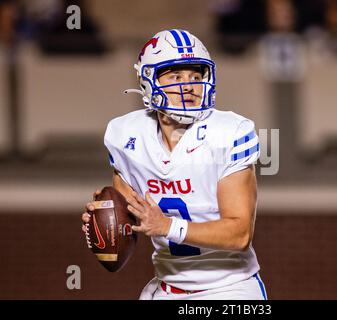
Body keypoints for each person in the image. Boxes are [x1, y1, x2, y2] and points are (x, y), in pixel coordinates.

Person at [81, 29, 267, 300]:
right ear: (148, 81)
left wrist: (168, 226)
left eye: (195, 75)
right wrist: (103, 220)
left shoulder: (229, 133)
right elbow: (131, 216)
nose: (189, 85)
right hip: (165, 288)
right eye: (176, 76)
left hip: (228, 289)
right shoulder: (128, 135)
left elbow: (239, 234)